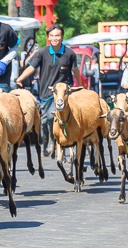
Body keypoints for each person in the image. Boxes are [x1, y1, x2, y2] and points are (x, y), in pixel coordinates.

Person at [15, 25, 81, 156]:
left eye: (57, 35)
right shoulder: (42, 52)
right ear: (48, 37)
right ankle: (47, 140)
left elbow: (75, 71)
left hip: (63, 92)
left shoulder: (69, 54)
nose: (54, 38)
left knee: (53, 117)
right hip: (46, 92)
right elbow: (32, 67)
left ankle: (58, 141)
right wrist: (20, 78)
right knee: (44, 120)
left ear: (62, 37)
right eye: (52, 36)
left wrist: (79, 84)